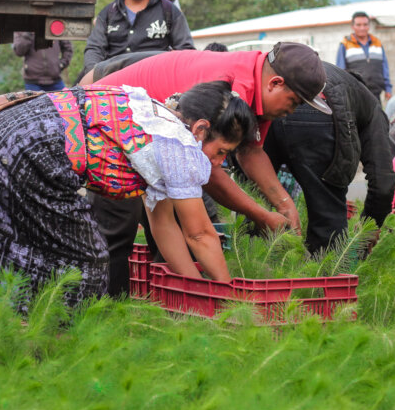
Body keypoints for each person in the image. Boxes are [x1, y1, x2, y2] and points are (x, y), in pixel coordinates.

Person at [0, 81, 257, 306]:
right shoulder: (179, 144)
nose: (221, 161)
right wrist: (228, 300)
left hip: (2, 131)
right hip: (32, 146)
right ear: (200, 129)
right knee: (87, 261)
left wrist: (199, 294)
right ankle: (64, 345)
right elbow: (200, 234)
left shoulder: (158, 123)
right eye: (222, 149)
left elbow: (165, 226)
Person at [86, 43, 330, 294]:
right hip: (105, 125)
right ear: (276, 83)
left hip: (145, 139)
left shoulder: (250, 87)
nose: (290, 112)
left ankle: (176, 305)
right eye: (293, 102)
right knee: (118, 228)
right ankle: (103, 312)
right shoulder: (231, 90)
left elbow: (251, 151)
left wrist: (284, 203)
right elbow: (206, 170)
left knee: (169, 223)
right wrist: (261, 216)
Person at [263, 63, 394, 252]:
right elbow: (383, 180)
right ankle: (324, 278)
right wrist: (370, 226)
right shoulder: (371, 105)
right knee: (327, 224)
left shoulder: (336, 79)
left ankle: (253, 273)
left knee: (257, 205)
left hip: (273, 98)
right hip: (319, 109)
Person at [81, 0, 193, 77]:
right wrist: (94, 75)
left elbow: (186, 52)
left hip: (153, 80)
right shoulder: (108, 13)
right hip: (112, 83)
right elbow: (94, 49)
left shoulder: (170, 11)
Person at [336, 12, 392, 103]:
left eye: (365, 25)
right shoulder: (345, 44)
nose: (362, 28)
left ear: (369, 26)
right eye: (358, 25)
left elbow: (384, 67)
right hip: (355, 94)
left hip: (376, 93)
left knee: (377, 116)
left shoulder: (377, 43)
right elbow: (340, 71)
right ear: (353, 27)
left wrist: (388, 88)